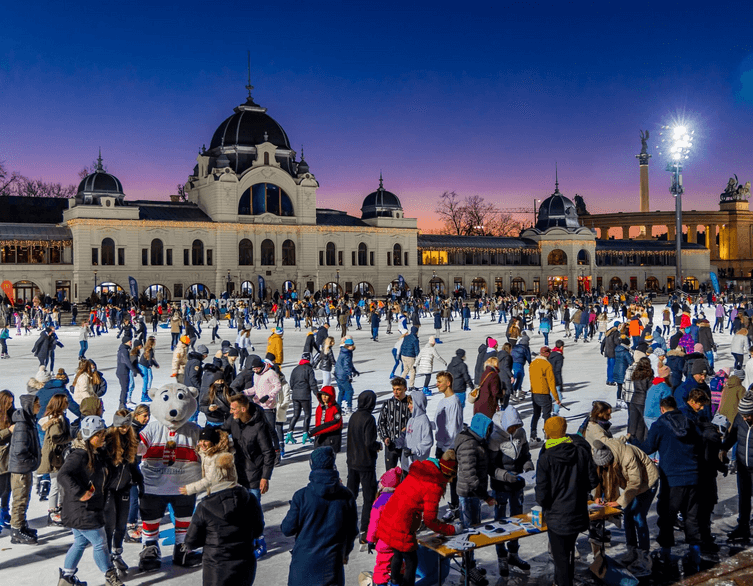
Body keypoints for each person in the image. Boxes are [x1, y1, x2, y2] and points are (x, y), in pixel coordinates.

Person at [629, 396, 703, 574]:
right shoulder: (689, 422)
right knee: (691, 516)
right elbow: (700, 444)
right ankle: (695, 554)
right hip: (693, 476)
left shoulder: (660, 425)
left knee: (667, 517)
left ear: (662, 409)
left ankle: (666, 553)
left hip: (672, 479)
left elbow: (648, 448)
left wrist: (634, 442)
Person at [376, 451, 461, 586]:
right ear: (448, 474)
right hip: (402, 522)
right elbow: (429, 520)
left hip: (390, 514)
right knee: (411, 561)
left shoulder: (422, 470)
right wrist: (451, 529)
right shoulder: (434, 485)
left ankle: (394, 582)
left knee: (397, 553)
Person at [57, 416, 124, 586]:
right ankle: (110, 578)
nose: (102, 437)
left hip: (87, 507)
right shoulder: (79, 455)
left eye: (103, 434)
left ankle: (66, 578)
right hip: (81, 509)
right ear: (88, 435)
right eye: (99, 435)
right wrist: (80, 492)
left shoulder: (96, 453)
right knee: (100, 542)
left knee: (80, 542)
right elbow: (63, 475)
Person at [281, 446, 359, 586]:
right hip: (331, 568)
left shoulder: (301, 496)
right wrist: (345, 553)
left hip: (303, 569)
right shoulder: (346, 496)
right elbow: (352, 531)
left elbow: (287, 529)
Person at [535, 416, 598, 586]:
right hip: (577, 513)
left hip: (557, 517)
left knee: (561, 560)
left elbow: (542, 495)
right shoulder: (580, 451)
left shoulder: (545, 458)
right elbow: (593, 481)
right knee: (567, 555)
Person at [185, 451, 264, 586]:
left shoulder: (204, 506)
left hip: (216, 568)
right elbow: (258, 531)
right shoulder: (250, 500)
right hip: (245, 565)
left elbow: (191, 542)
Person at [591, 438, 659, 577]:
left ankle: (644, 555)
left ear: (611, 460)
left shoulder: (628, 456)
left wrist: (619, 502)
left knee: (638, 516)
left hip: (647, 482)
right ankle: (632, 550)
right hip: (632, 485)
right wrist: (599, 495)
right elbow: (602, 477)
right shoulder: (603, 454)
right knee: (628, 515)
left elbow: (635, 482)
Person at [488, 406, 534, 576]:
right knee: (500, 520)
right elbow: (490, 467)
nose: (514, 430)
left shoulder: (521, 433)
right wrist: (505, 476)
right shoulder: (495, 437)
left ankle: (513, 553)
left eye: (516, 426)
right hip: (501, 485)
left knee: (517, 519)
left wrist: (528, 467)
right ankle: (501, 556)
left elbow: (526, 455)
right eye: (511, 427)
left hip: (518, 484)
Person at [103, 410, 142, 576]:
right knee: (109, 526)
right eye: (121, 425)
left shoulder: (131, 439)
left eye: (127, 425)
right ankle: (107, 559)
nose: (125, 428)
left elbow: (133, 465)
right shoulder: (108, 439)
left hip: (124, 487)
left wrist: (139, 480)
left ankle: (117, 554)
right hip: (109, 490)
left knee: (121, 525)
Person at [222, 394, 275, 504]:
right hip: (238, 474)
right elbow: (222, 431)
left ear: (243, 409)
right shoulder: (233, 420)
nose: (230, 412)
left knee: (254, 511)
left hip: (255, 476)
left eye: (233, 409)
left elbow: (268, 453)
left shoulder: (259, 426)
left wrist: (265, 477)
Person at [346, 389, 381, 545]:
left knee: (350, 496)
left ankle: (345, 526)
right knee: (368, 498)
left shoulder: (354, 416)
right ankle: (364, 530)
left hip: (352, 462)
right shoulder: (369, 418)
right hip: (365, 463)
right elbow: (369, 442)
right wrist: (378, 445)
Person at [8, 393, 41, 544]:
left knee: (24, 498)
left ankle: (21, 525)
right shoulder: (22, 424)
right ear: (30, 406)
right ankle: (16, 530)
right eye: (37, 404)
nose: (39, 407)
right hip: (21, 469)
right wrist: (33, 460)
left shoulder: (27, 421)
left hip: (23, 467)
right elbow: (20, 449)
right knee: (20, 499)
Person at [38, 393, 73, 526]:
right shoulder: (55, 420)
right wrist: (72, 438)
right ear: (60, 404)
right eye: (65, 402)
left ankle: (59, 508)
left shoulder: (61, 417)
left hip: (58, 455)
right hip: (54, 456)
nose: (67, 404)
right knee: (56, 484)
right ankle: (52, 512)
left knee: (61, 484)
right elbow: (56, 438)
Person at [722, 393, 753, 541]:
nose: (745, 418)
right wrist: (723, 448)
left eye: (748, 415)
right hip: (743, 465)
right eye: (743, 415)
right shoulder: (740, 418)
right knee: (744, 498)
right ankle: (743, 527)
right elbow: (732, 436)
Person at [366, 467, 404, 586]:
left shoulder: (380, 502)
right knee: (399, 567)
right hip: (400, 541)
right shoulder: (401, 499)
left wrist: (370, 540)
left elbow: (374, 523)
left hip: (385, 542)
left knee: (382, 568)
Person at [434, 371, 463, 521]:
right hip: (440, 446)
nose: (437, 384)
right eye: (437, 381)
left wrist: (450, 448)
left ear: (448, 383)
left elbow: (454, 427)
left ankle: (455, 508)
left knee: (451, 480)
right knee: (440, 480)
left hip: (449, 448)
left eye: (440, 381)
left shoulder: (454, 402)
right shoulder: (442, 401)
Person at [180, 426, 235, 497]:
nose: (202, 444)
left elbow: (210, 480)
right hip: (215, 493)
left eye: (206, 441)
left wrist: (189, 489)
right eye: (201, 440)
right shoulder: (204, 453)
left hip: (224, 493)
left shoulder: (217, 456)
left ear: (213, 442)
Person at [378, 377, 412, 470]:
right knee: (390, 475)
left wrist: (409, 429)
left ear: (405, 389)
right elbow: (381, 423)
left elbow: (416, 422)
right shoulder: (387, 403)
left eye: (398, 389)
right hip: (391, 445)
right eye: (394, 389)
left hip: (406, 445)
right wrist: (385, 437)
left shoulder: (410, 404)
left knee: (407, 473)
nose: (395, 392)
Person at [529, 347, 561, 442]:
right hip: (544, 393)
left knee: (536, 414)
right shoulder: (547, 365)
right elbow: (551, 383)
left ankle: (533, 435)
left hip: (534, 393)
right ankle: (547, 435)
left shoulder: (533, 363)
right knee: (547, 415)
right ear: (547, 354)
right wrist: (556, 398)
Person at [287, 352, 319, 444]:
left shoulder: (295, 369)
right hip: (305, 395)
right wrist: (317, 394)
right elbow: (312, 384)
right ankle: (305, 435)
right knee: (307, 415)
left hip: (295, 395)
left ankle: (289, 433)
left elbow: (291, 383)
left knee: (295, 415)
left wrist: (296, 390)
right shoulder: (309, 369)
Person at [310, 385, 343, 452]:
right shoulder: (319, 408)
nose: (324, 397)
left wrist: (315, 431)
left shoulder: (336, 408)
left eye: (326, 395)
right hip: (320, 439)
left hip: (331, 439)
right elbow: (318, 423)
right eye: (322, 395)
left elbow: (335, 424)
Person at [0, 390, 14, 530]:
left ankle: (4, 511)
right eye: (8, 403)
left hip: (10, 457)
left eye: (12, 402)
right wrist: (8, 431)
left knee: (7, 487)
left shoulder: (12, 414)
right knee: (1, 487)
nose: (10, 405)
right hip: (1, 457)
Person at [334, 338, 360, 414]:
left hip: (338, 374)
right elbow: (346, 365)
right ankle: (349, 408)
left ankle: (338, 409)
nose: (352, 347)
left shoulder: (344, 351)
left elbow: (349, 364)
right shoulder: (347, 353)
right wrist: (349, 375)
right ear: (348, 346)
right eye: (351, 345)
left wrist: (354, 370)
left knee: (342, 391)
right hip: (342, 375)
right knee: (349, 391)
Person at [116, 339, 141, 409]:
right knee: (124, 389)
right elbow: (127, 361)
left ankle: (123, 404)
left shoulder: (124, 349)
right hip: (122, 372)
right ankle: (122, 405)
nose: (131, 343)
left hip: (123, 371)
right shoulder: (124, 350)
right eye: (129, 341)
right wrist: (133, 370)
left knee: (125, 389)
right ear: (125, 342)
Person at [138, 336, 159, 402]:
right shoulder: (150, 350)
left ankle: (146, 393)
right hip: (143, 365)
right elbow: (150, 360)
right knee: (146, 380)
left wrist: (155, 365)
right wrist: (151, 365)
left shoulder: (148, 348)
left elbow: (151, 359)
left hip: (144, 365)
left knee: (149, 378)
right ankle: (144, 395)